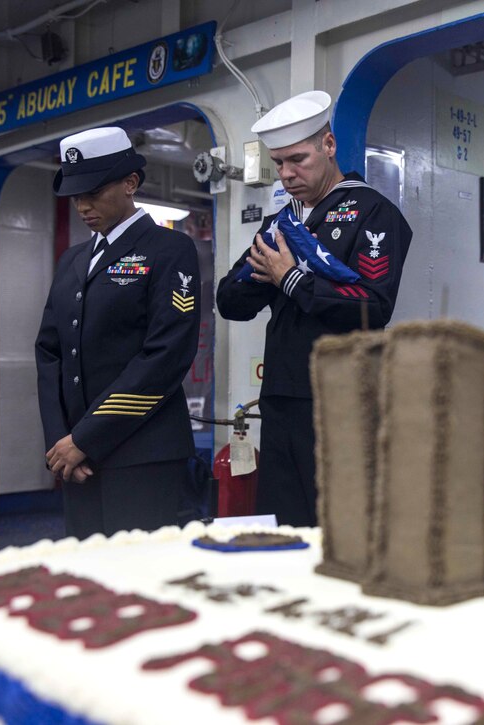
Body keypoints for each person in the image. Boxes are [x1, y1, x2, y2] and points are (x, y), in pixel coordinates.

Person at [216, 91, 412, 527]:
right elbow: (229, 302)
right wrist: (260, 274)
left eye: (298, 160)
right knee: (284, 526)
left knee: (341, 529)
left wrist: (291, 278)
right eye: (279, 163)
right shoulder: (281, 224)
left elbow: (373, 306)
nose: (286, 174)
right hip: (283, 396)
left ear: (328, 146)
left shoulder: (373, 213)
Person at [35, 126, 201, 537]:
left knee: (140, 579)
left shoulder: (169, 250)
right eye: (76, 196)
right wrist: (62, 444)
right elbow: (49, 352)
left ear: (130, 183)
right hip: (78, 456)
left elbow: (165, 355)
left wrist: (87, 437)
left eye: (93, 192)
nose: (83, 206)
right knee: (90, 578)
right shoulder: (73, 260)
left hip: (143, 453)